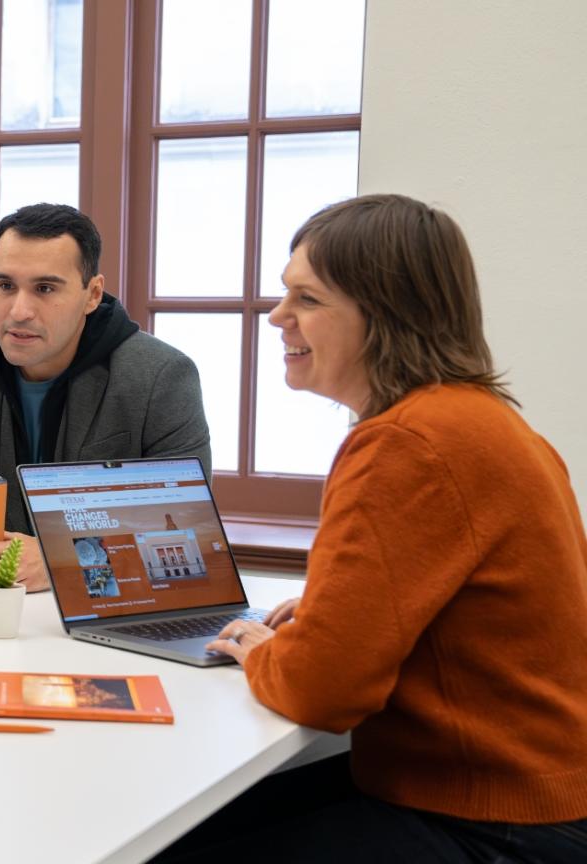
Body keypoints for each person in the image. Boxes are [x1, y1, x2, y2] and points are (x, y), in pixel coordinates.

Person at [159, 194, 587, 862]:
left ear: (382, 315)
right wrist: (334, 615)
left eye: (307, 298)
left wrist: (256, 650)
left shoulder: (404, 444)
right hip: (539, 800)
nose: (277, 316)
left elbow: (321, 691)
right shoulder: (487, 421)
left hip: (485, 822)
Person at [0, 203, 211, 592]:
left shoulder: (161, 377)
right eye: (5, 286)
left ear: (92, 294)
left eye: (45, 288)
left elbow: (185, 523)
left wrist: (66, 560)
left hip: (107, 614)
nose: (20, 311)